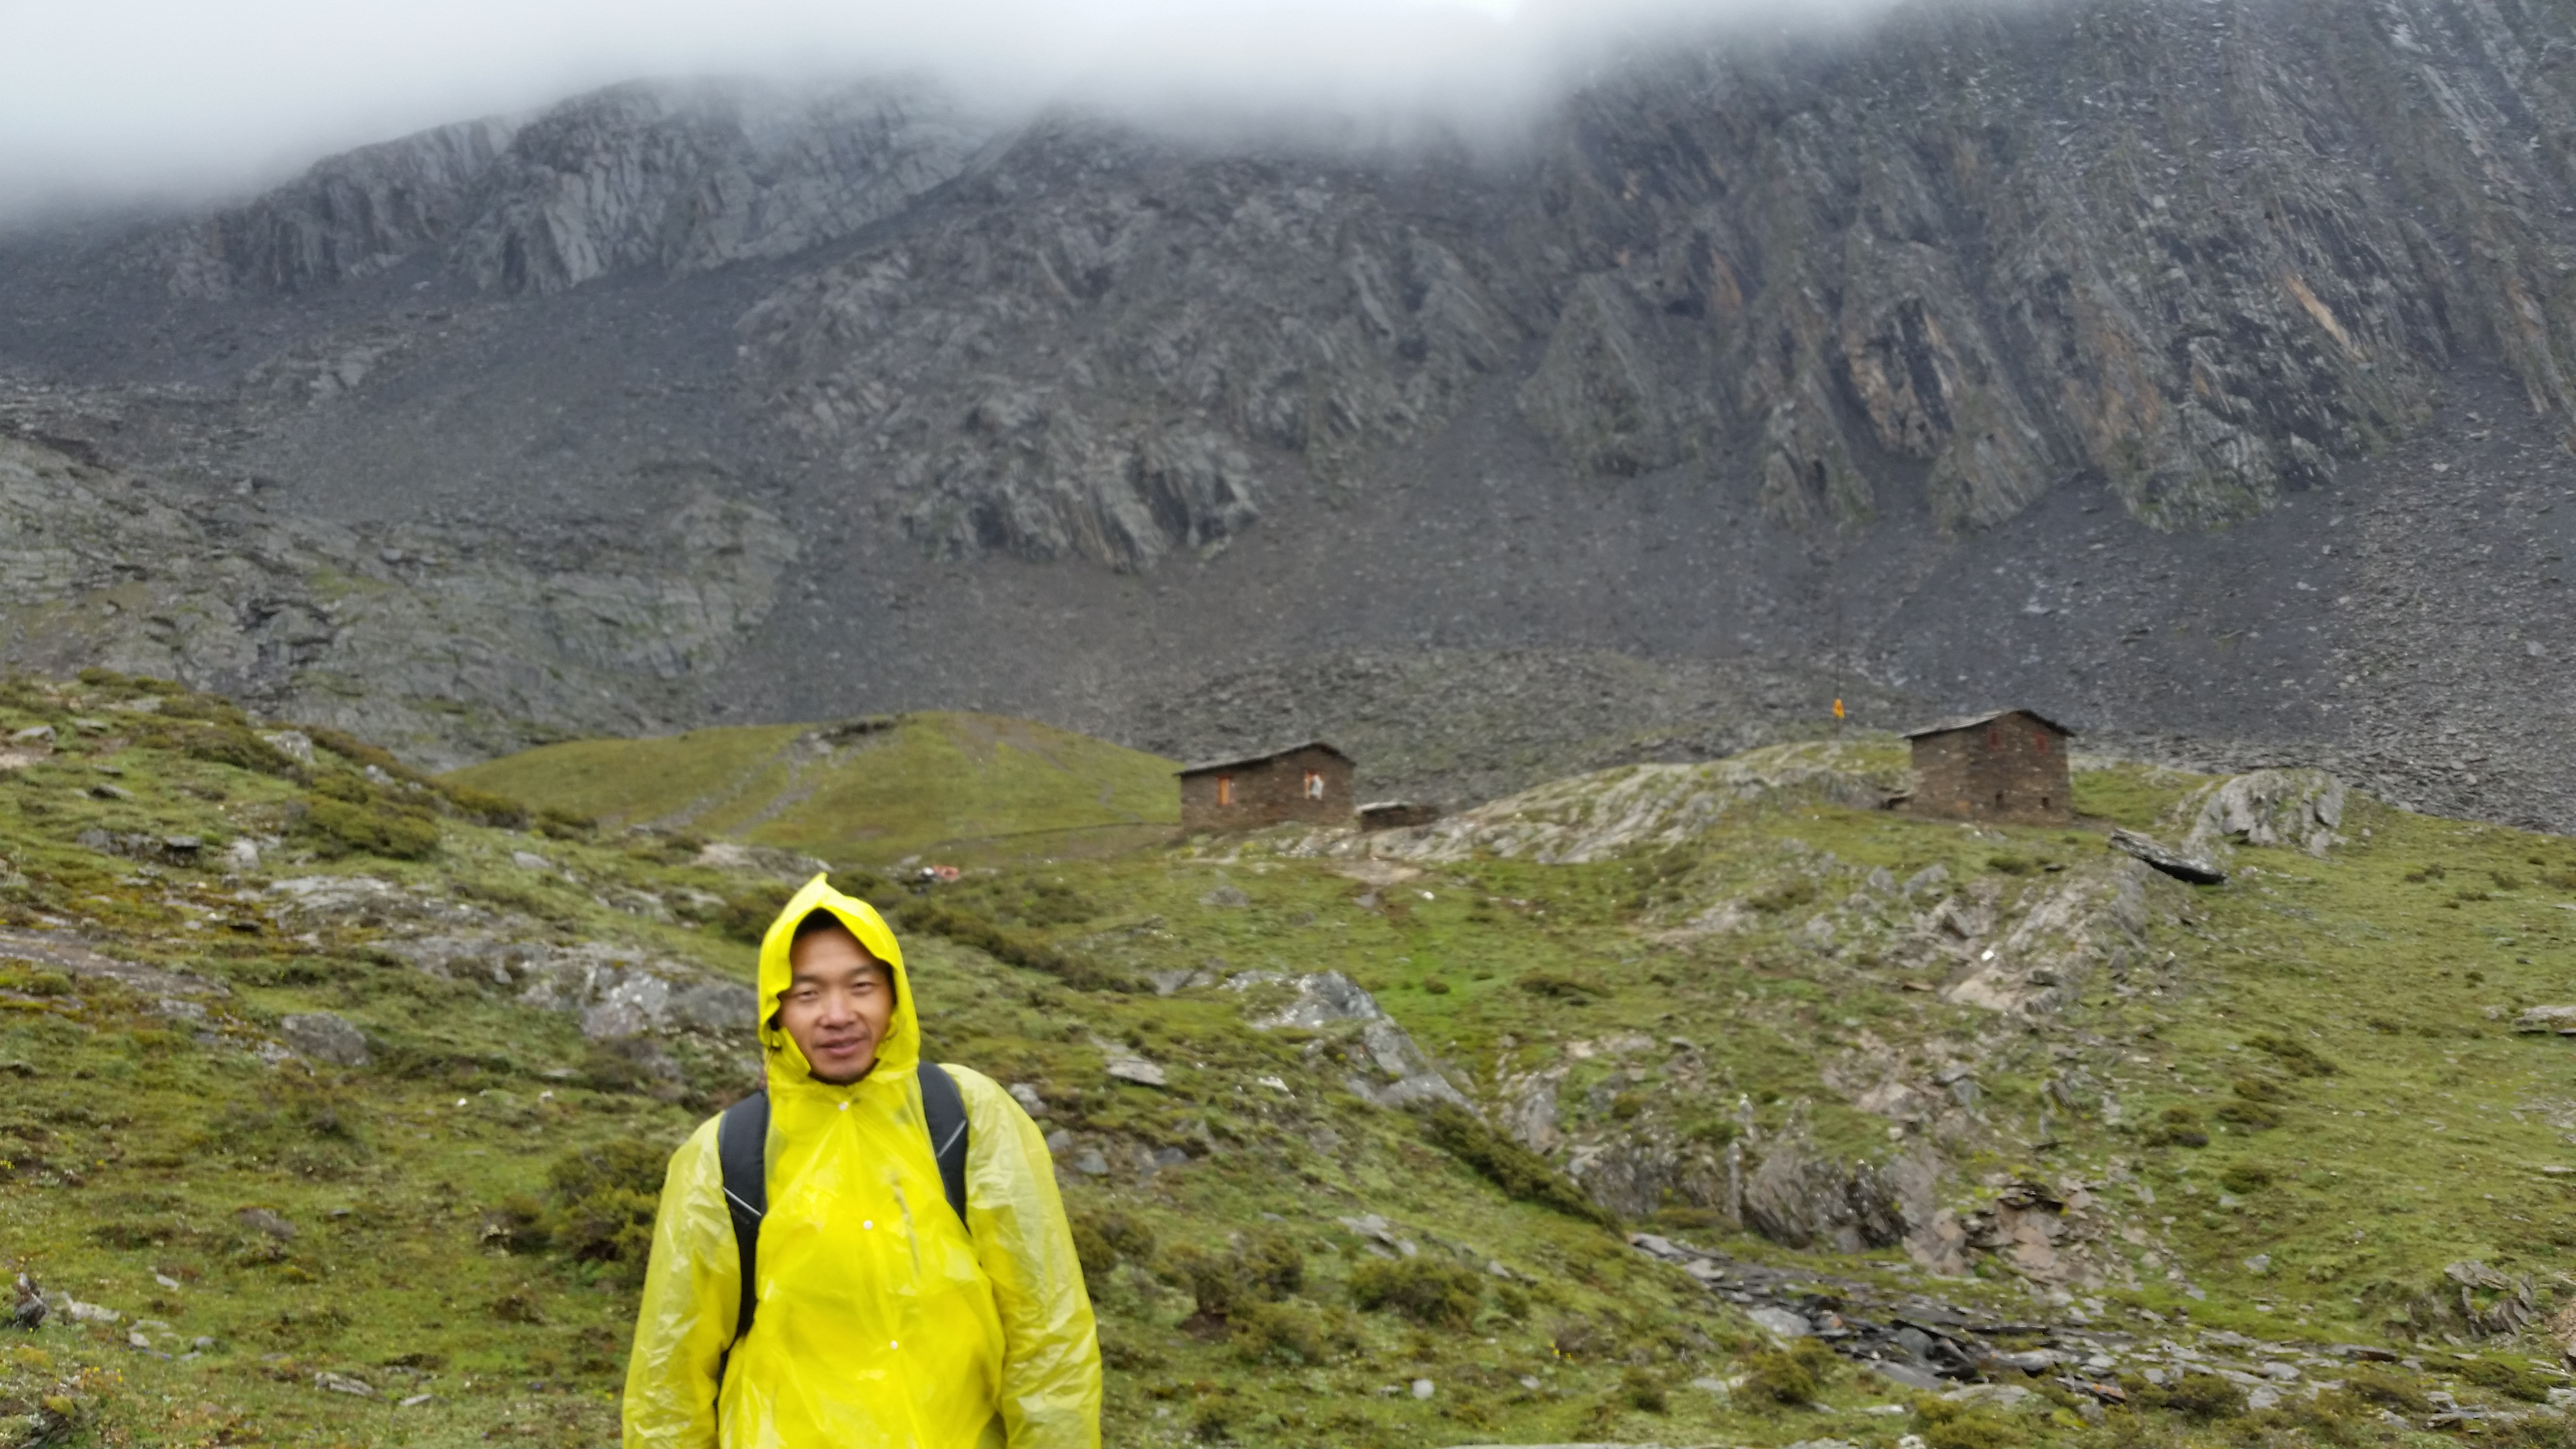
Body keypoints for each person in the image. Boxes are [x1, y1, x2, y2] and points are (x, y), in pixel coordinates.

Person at [622, 874, 1101, 1447]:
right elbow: (669, 1375)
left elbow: (1047, 1330)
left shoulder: (968, 1116)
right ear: (775, 1012)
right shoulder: (722, 1156)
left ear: (895, 996)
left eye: (860, 986)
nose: (837, 1014)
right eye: (806, 994)